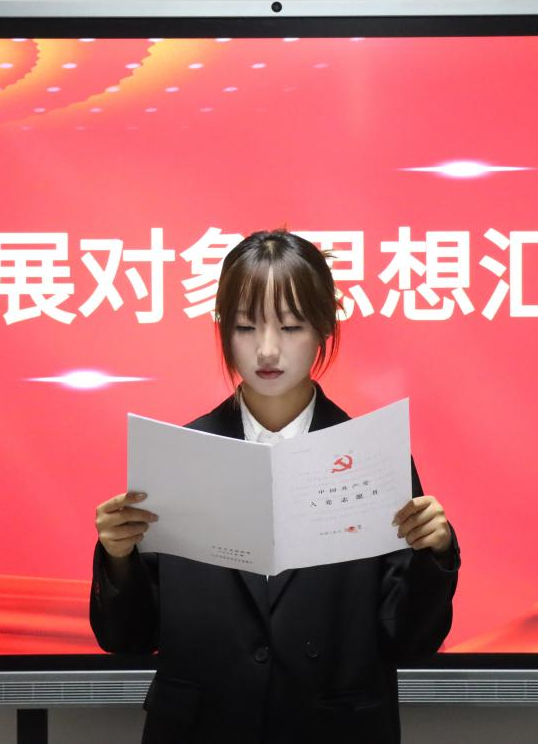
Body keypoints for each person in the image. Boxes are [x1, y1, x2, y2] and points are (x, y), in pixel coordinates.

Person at [90, 229, 459, 744]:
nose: (266, 350)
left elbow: (409, 640)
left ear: (324, 326)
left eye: (290, 326)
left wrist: (434, 553)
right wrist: (118, 558)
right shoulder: (179, 456)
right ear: (223, 329)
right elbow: (127, 638)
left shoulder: (374, 456)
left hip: (334, 728)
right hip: (204, 728)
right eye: (245, 327)